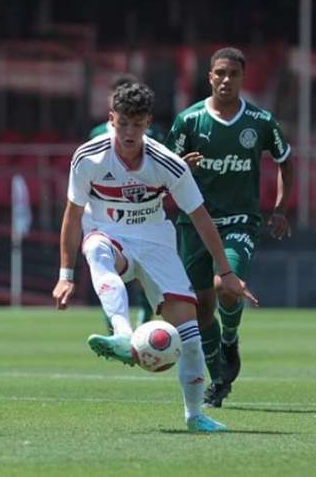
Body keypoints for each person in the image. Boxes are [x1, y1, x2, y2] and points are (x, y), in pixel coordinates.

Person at [52, 83, 257, 433]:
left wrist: (227, 271)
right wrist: (66, 273)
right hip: (109, 234)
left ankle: (195, 416)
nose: (129, 132)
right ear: (111, 119)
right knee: (96, 248)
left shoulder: (168, 164)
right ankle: (121, 333)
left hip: (157, 245)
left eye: (137, 124)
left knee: (190, 338)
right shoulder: (88, 157)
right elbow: (73, 215)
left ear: (148, 122)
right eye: (122, 123)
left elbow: (200, 217)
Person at [164, 47, 293, 408]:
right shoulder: (188, 121)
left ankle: (230, 338)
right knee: (201, 308)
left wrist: (281, 209)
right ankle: (219, 379)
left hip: (239, 221)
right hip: (194, 223)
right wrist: (180, 168)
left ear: (242, 77)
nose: (225, 80)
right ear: (209, 77)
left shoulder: (260, 121)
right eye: (219, 73)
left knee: (226, 286)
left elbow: (285, 161)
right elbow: (164, 169)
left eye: (232, 74)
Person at [88, 74, 157, 327]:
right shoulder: (96, 133)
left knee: (140, 267)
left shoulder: (152, 134)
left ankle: (145, 311)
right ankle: (115, 321)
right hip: (103, 208)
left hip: (137, 208)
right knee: (104, 264)